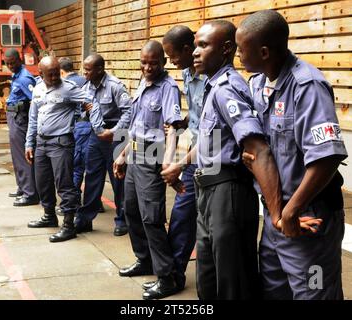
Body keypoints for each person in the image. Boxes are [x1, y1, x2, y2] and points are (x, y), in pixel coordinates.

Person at [236, 10, 348, 299]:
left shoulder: (307, 86)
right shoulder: (258, 84)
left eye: (241, 49)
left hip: (307, 219)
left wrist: (291, 210)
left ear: (263, 52)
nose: (237, 55)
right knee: (274, 290)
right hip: (276, 216)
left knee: (314, 291)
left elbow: (327, 157)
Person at [190, 20, 295, 300]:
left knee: (232, 281)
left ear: (226, 49)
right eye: (195, 45)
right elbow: (210, 142)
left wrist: (276, 213)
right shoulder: (213, 87)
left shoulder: (227, 89)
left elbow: (258, 148)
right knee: (209, 279)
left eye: (203, 45)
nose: (195, 52)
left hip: (228, 192)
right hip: (209, 191)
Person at [114, 40, 182, 300]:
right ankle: (145, 261)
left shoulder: (169, 88)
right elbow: (134, 126)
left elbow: (173, 127)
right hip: (134, 155)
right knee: (130, 210)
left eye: (153, 63)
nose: (148, 67)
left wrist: (168, 161)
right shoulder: (142, 83)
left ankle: (167, 277)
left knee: (151, 218)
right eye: (144, 62)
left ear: (163, 62)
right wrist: (122, 155)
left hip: (152, 157)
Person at [143, 25, 204, 292]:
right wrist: (182, 124)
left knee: (208, 226)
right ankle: (173, 277)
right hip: (198, 153)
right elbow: (199, 114)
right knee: (182, 215)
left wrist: (179, 163)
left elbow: (215, 132)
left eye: (172, 55)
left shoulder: (210, 78)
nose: (170, 61)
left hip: (211, 157)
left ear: (187, 50)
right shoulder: (188, 73)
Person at [25, 56, 92, 243]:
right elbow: (33, 118)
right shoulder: (37, 88)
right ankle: (49, 216)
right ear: (40, 74)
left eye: (57, 73)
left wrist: (88, 115)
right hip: (41, 143)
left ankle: (69, 226)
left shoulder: (68, 88)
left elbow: (91, 101)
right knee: (42, 182)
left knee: (64, 184)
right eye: (50, 74)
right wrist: (29, 143)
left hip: (61, 144)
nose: (55, 77)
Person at [74, 54, 132, 236]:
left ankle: (122, 220)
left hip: (115, 135)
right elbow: (82, 109)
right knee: (92, 176)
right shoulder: (86, 86)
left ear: (100, 69)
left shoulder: (115, 86)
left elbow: (129, 112)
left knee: (118, 179)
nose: (84, 72)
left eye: (88, 69)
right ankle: (85, 219)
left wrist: (113, 131)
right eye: (84, 68)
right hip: (96, 135)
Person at [57, 57, 105, 214]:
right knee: (92, 168)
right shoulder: (85, 80)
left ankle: (74, 201)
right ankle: (95, 202)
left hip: (82, 126)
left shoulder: (69, 85)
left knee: (77, 166)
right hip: (93, 127)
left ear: (62, 72)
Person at [4, 48, 39, 206]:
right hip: (13, 116)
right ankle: (22, 187)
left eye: (13, 63)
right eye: (7, 63)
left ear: (19, 60)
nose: (10, 66)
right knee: (16, 156)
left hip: (20, 118)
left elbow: (36, 100)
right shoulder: (16, 75)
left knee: (23, 156)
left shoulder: (25, 78)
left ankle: (30, 193)